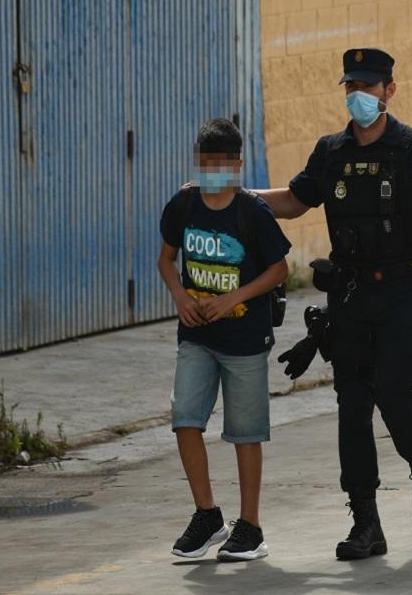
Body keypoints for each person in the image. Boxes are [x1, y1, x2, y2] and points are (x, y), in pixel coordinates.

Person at [257, 48, 412, 560]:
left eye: (369, 86)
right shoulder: (330, 151)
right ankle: (366, 524)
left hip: (402, 292)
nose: (359, 94)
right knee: (352, 406)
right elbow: (294, 199)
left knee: (396, 396)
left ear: (389, 91)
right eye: (351, 85)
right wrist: (235, 195)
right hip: (350, 294)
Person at [156, 118, 291, 561]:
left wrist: (235, 295)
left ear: (237, 165)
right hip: (196, 336)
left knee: (245, 433)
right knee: (185, 419)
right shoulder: (183, 205)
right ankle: (206, 514)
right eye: (205, 162)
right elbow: (166, 259)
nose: (213, 170)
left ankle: (250, 526)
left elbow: (279, 269)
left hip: (245, 340)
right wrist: (179, 296)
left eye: (221, 163)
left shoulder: (252, 212)